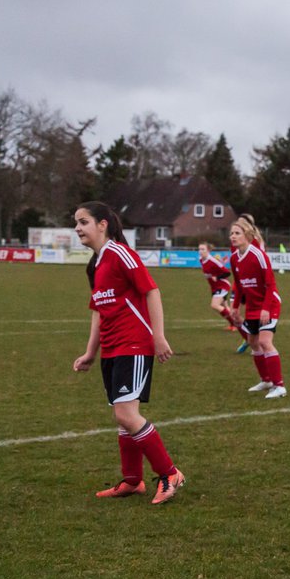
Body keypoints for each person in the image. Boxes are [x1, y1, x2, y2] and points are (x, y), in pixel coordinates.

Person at [71, 201, 186, 505]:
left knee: (125, 413)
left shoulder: (121, 253)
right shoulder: (94, 264)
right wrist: (90, 352)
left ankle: (169, 473)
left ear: (102, 224)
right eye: (76, 223)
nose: (78, 228)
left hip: (133, 344)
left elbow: (151, 290)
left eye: (83, 222)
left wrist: (158, 335)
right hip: (111, 350)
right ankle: (133, 481)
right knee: (124, 417)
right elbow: (98, 310)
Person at [230, 218, 287, 399]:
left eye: (237, 233)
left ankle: (279, 386)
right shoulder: (234, 259)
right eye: (231, 233)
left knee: (264, 341)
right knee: (253, 342)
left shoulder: (258, 255)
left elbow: (270, 284)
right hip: (253, 307)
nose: (233, 236)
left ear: (247, 235)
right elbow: (239, 286)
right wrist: (235, 307)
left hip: (269, 303)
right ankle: (267, 380)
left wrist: (266, 309)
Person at [199, 241, 248, 353]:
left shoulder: (213, 261)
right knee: (226, 308)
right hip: (215, 288)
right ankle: (235, 324)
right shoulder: (201, 260)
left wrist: (217, 276)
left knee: (215, 305)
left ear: (208, 251)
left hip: (223, 286)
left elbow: (227, 272)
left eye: (203, 249)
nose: (200, 251)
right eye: (199, 249)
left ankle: (234, 324)